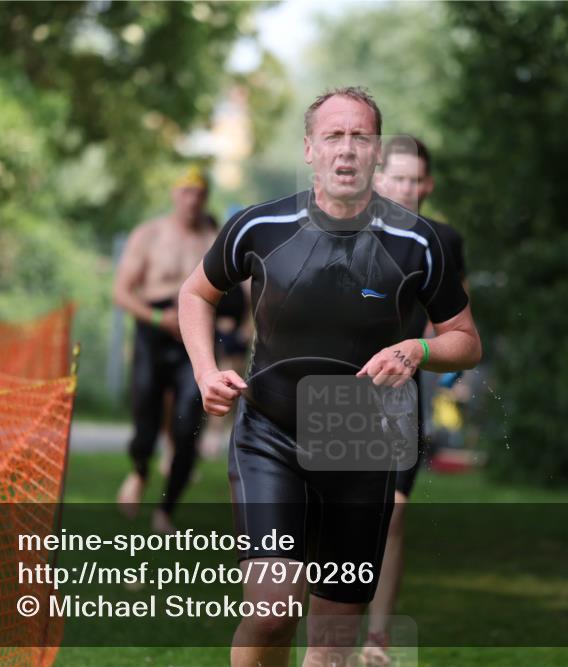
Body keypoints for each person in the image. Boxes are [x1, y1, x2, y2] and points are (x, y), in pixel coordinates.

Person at [178, 87, 481, 667]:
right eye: (333, 136)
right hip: (270, 434)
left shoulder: (418, 242)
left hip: (361, 442)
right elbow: (196, 293)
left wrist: (418, 349)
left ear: (377, 152)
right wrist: (205, 370)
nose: (346, 149)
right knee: (272, 612)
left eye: (360, 137)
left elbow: (465, 341)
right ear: (309, 149)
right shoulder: (260, 226)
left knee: (332, 643)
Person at [362, 135, 468, 665]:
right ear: (379, 178)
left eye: (415, 180)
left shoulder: (442, 241)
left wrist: (435, 360)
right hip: (341, 389)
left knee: (394, 513)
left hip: (402, 391)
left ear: (428, 184)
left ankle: (377, 638)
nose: (405, 188)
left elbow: (455, 320)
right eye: (397, 178)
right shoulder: (348, 230)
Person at [113, 165, 217, 534]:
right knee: (145, 422)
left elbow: (241, 291)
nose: (192, 201)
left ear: (206, 197)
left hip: (194, 338)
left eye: (199, 194)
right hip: (153, 333)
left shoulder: (214, 238)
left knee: (188, 427)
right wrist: (160, 320)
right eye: (186, 192)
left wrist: (238, 325)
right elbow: (122, 292)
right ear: (174, 194)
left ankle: (165, 510)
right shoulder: (150, 235)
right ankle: (140, 470)